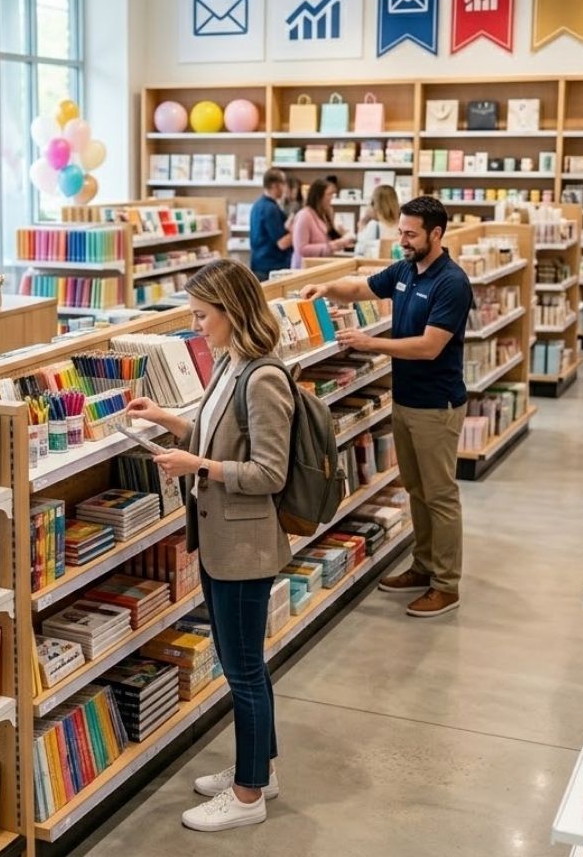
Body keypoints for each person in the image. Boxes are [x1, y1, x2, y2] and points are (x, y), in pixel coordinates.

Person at [126, 259, 294, 833]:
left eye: (202, 314)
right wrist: (167, 421)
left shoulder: (264, 376)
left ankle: (248, 797)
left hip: (244, 544)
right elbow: (211, 433)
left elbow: (270, 473)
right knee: (242, 662)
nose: (196, 325)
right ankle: (259, 769)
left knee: (242, 668)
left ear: (231, 310)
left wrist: (198, 465)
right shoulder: (231, 363)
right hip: (223, 538)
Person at [303, 195, 473, 618]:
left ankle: (446, 585)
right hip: (406, 400)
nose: (403, 240)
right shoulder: (404, 269)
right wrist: (327, 287)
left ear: (436, 234)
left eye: (411, 234)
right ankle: (422, 566)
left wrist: (369, 343)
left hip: (437, 405)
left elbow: (430, 346)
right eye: (401, 231)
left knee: (440, 495)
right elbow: (362, 287)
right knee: (417, 491)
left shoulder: (452, 282)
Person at [291, 177, 353, 269]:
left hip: (317, 267)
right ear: (319, 196)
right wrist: (331, 246)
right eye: (329, 195)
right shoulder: (304, 216)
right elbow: (301, 249)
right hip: (303, 270)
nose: (332, 198)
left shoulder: (322, 215)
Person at [249, 167, 293, 280]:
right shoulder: (270, 209)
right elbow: (282, 243)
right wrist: (298, 231)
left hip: (259, 264)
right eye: (283, 184)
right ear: (275, 185)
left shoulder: (258, 205)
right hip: (271, 268)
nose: (285, 189)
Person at [355, 184, 401, 258]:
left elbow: (359, 251)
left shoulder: (374, 226)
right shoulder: (403, 226)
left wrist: (362, 223)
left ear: (374, 204)